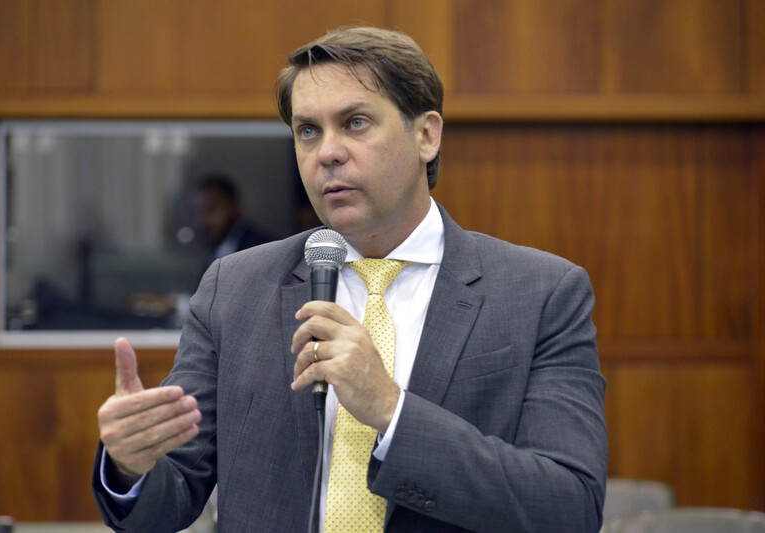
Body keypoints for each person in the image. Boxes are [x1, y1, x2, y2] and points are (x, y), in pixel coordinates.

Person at [93, 26, 607, 532]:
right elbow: (173, 492)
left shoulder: (541, 294)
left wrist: (391, 410)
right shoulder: (234, 288)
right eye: (307, 131)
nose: (327, 152)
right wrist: (132, 466)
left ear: (426, 135)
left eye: (355, 123)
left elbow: (569, 507)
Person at [190, 173, 272, 266]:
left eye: (211, 209)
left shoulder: (260, 250)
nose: (202, 219)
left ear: (234, 207)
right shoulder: (213, 251)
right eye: (195, 212)